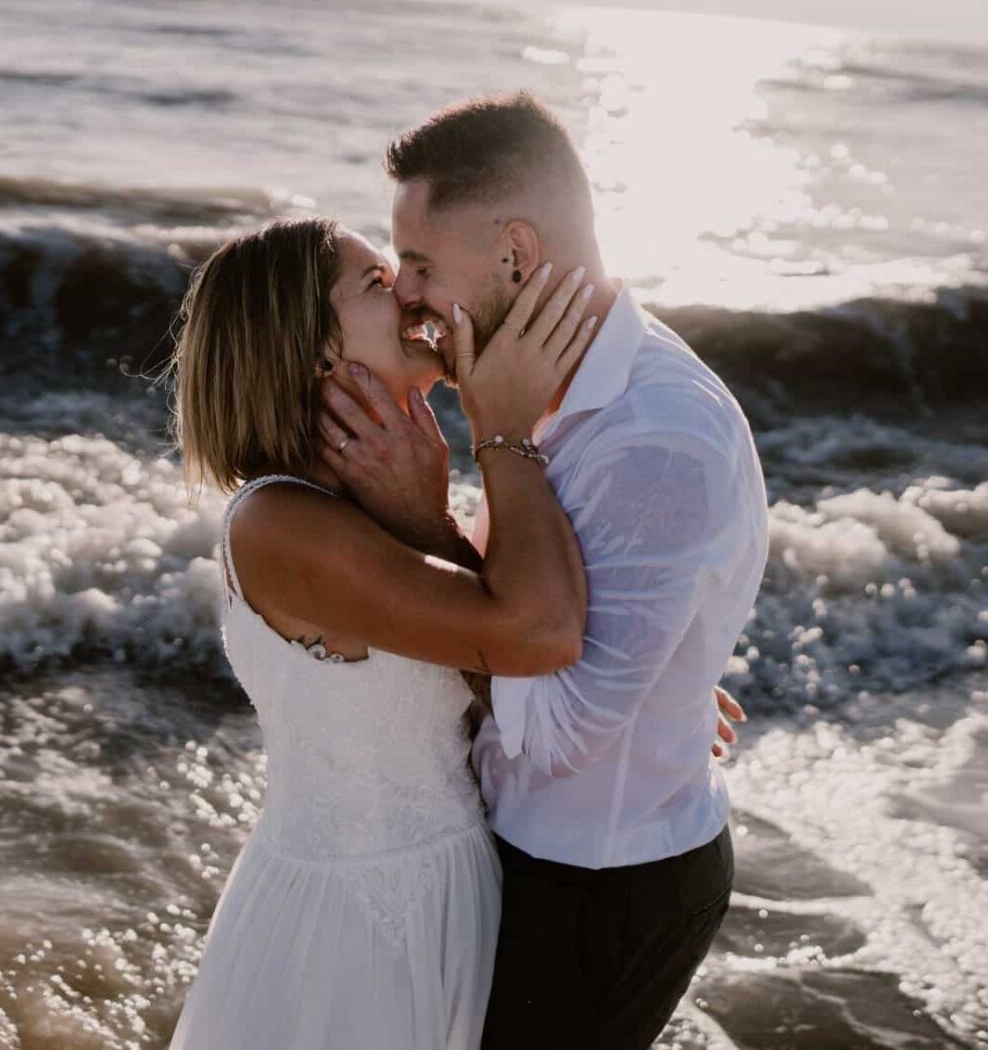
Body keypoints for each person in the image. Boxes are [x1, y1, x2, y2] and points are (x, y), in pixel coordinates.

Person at [321, 92, 771, 1048]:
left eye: (419, 264)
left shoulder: (653, 434)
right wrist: (663, 681)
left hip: (597, 888)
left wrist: (433, 509)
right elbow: (543, 650)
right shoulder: (553, 391)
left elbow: (557, 732)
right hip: (527, 848)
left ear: (515, 254)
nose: (403, 294)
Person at [166, 215, 599, 1050]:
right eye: (373, 283)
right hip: (357, 934)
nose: (407, 290)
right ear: (318, 354)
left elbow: (502, 683)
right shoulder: (279, 525)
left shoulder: (373, 501)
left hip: (442, 896)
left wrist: (648, 690)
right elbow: (539, 633)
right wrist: (498, 427)